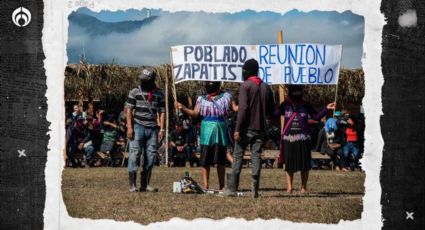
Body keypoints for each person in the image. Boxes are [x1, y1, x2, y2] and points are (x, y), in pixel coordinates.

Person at [224, 59, 275, 198]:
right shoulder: (266, 87)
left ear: (247, 71)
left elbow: (243, 109)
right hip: (261, 129)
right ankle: (254, 190)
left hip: (246, 129)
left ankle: (232, 189)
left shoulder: (245, 86)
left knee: (238, 156)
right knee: (256, 156)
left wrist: (237, 129)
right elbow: (271, 110)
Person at [275, 85, 336, 193]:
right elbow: (275, 114)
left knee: (305, 164)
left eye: (298, 92)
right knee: (289, 164)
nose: (296, 94)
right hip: (289, 139)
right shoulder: (285, 105)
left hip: (304, 139)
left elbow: (316, 117)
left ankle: (303, 187)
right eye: (294, 92)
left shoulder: (306, 105)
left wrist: (326, 108)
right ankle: (289, 187)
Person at [177, 81, 237, 190]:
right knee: (205, 159)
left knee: (220, 160)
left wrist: (247, 102)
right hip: (206, 130)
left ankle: (222, 186)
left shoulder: (227, 96)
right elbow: (195, 113)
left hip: (219, 129)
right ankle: (205, 186)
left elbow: (235, 108)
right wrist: (183, 108)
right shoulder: (201, 99)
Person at [126, 67, 165, 192]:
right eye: (142, 79)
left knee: (151, 157)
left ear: (152, 80)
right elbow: (129, 110)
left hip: (153, 129)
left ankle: (145, 185)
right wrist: (129, 127)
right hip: (137, 126)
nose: (142, 82)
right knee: (134, 155)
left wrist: (162, 129)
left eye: (145, 80)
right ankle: (132, 185)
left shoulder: (159, 93)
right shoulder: (134, 91)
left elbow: (162, 112)